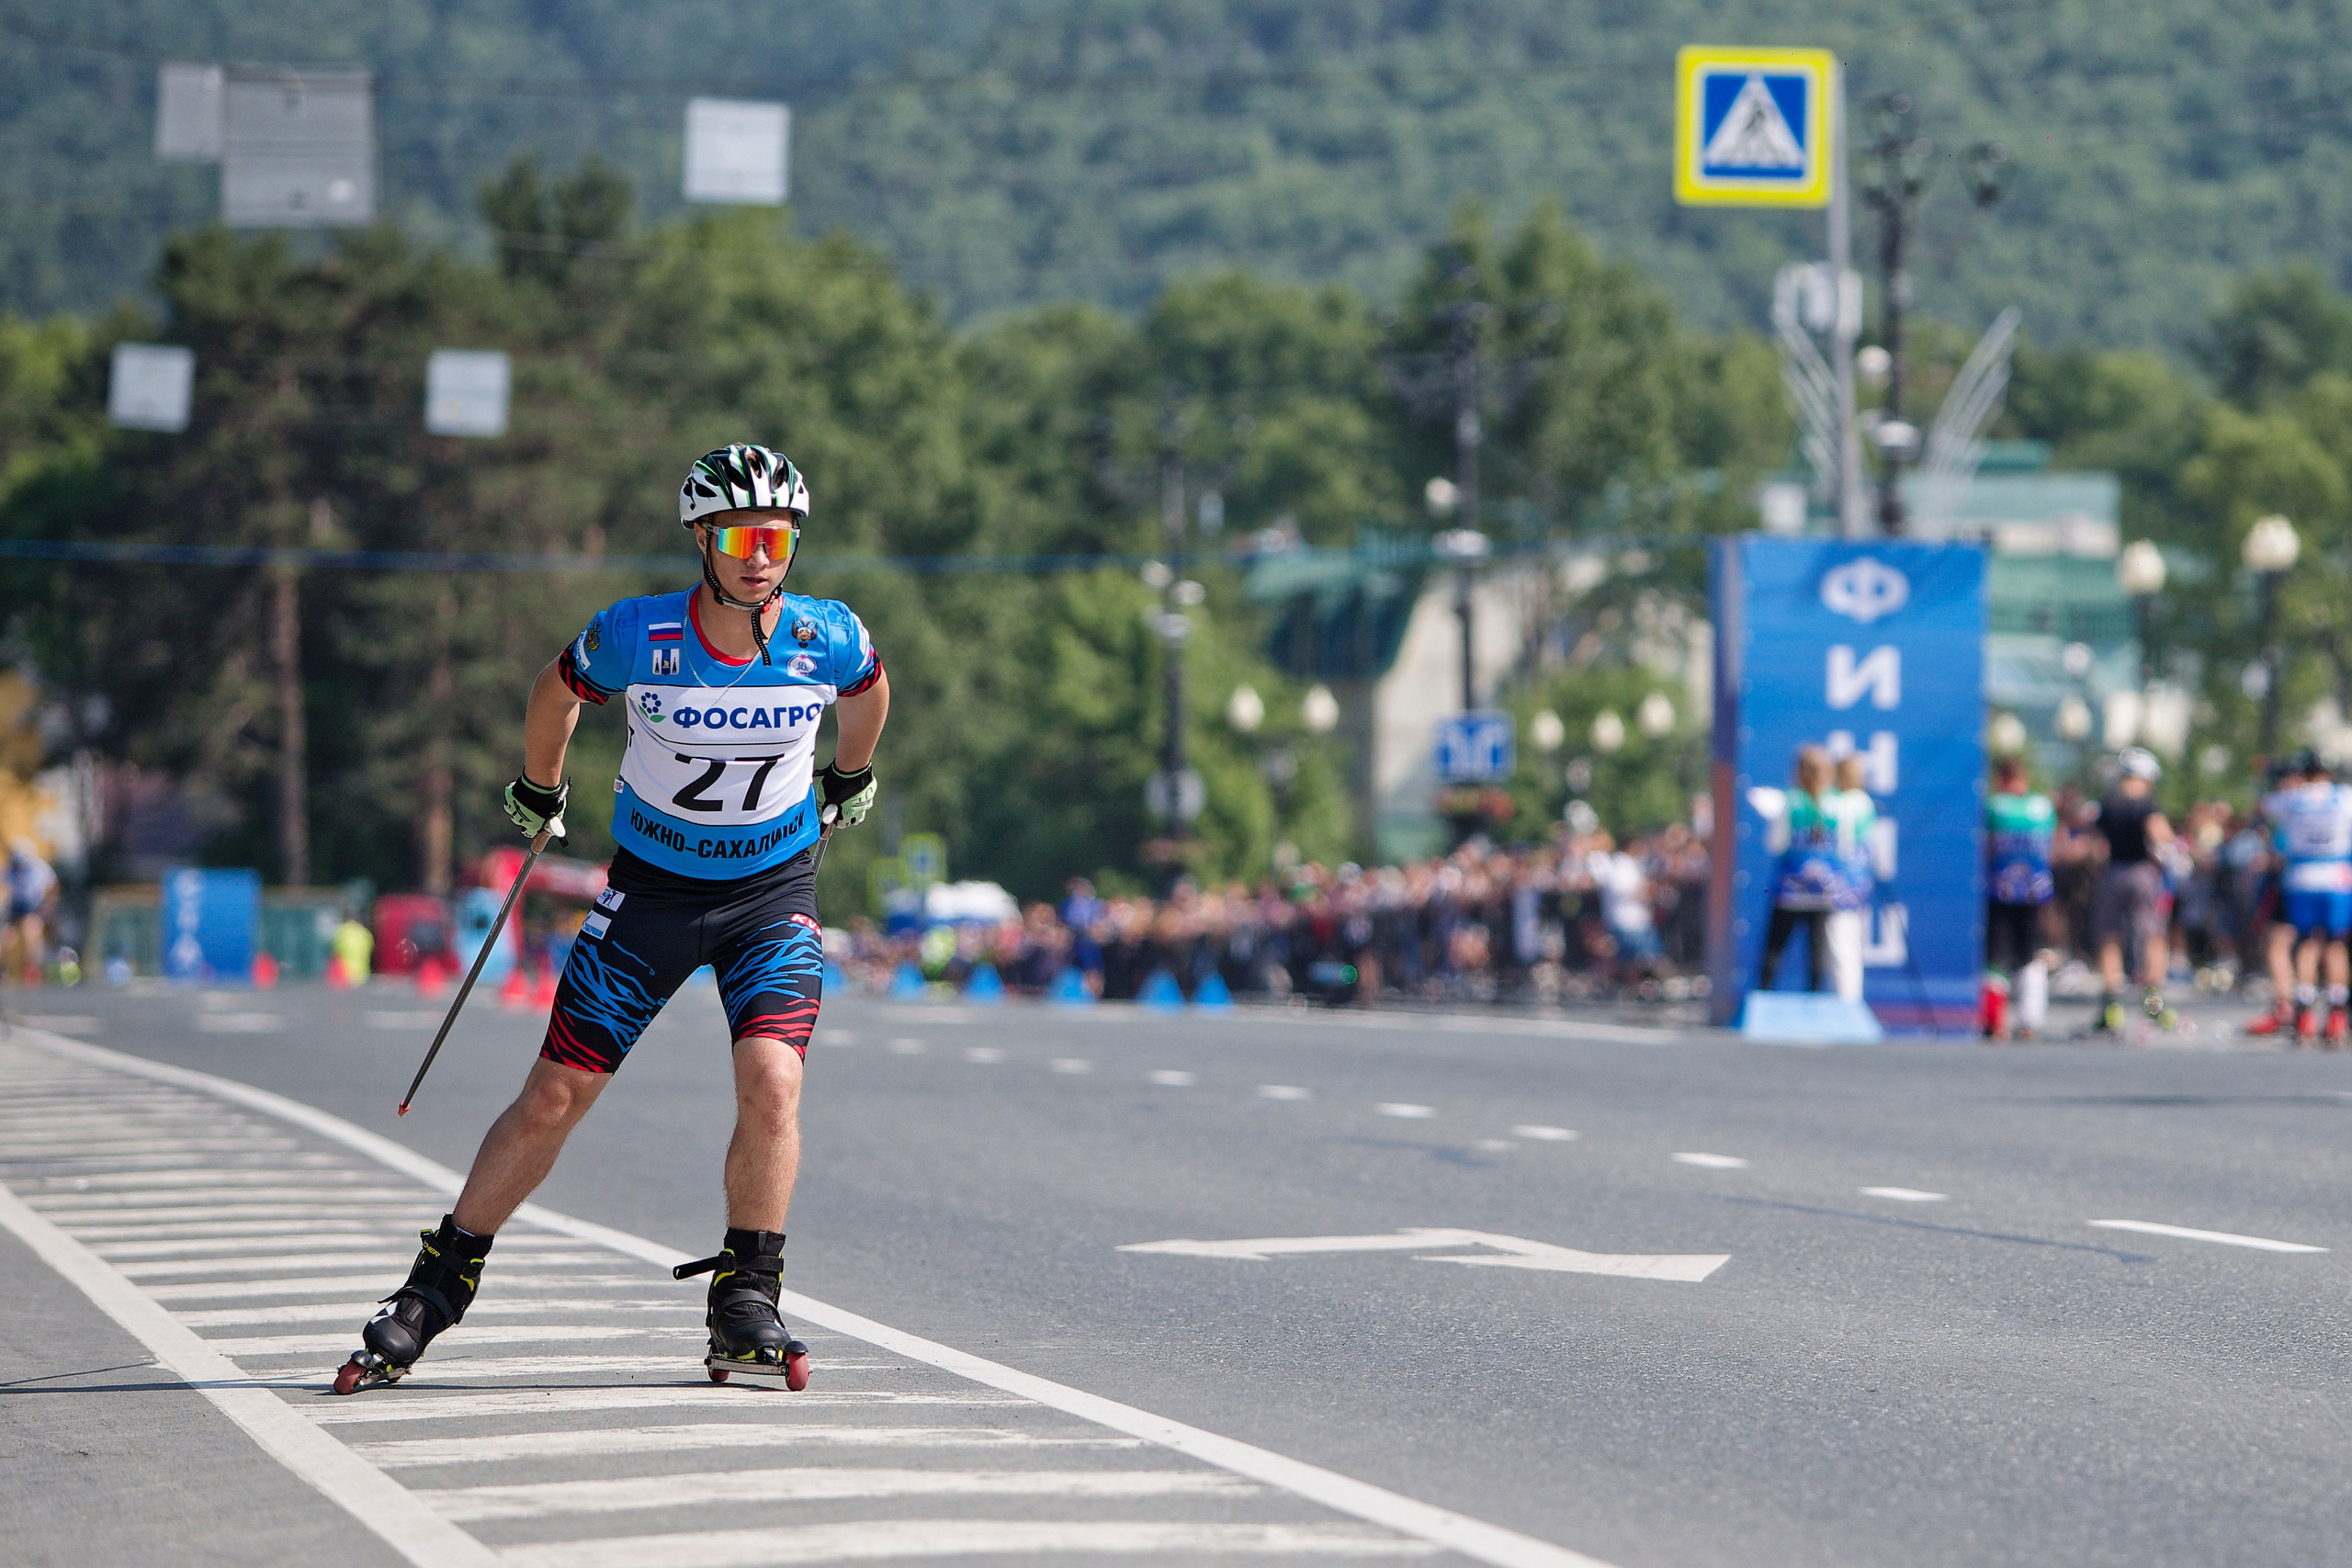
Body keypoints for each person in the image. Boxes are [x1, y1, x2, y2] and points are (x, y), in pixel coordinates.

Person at [336, 444, 888, 1394]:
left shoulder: (826, 635)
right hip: (652, 894)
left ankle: (747, 1294)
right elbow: (556, 691)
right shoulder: (639, 633)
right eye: (740, 539)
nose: (761, 557)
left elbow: (870, 693)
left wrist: (850, 772)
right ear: (702, 542)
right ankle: (437, 1285)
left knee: (773, 1083)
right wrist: (539, 785)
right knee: (556, 1095)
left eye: (777, 537)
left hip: (770, 895)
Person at [2251, 751, 2352, 1044]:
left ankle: (2305, 1011)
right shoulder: (2344, 797)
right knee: (2335, 945)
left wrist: (2263, 776)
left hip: (2302, 874)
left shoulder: (2292, 799)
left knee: (2306, 943)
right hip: (2336, 874)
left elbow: (2262, 807)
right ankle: (2337, 1014)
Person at [2090, 747, 2177, 1034]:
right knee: (2153, 934)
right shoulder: (2148, 806)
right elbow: (2161, 838)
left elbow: (2097, 847)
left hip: (2114, 872)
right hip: (2143, 873)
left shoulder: (2109, 805)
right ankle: (2153, 1002)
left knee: (2109, 935)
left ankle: (2112, 1003)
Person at [1984, 755, 2056, 1040]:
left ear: (2001, 778)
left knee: (1995, 957)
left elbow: (1985, 846)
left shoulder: (1994, 806)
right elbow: (2050, 848)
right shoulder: (2043, 807)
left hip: (1999, 889)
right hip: (2035, 891)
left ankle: (1994, 1022)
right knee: (2030, 956)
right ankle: (2029, 1020)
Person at [1757, 746, 1838, 993]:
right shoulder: (1835, 802)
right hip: (1823, 888)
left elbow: (1775, 844)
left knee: (1775, 946)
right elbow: (1844, 846)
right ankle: (1815, 1001)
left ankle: (1764, 995)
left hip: (1791, 888)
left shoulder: (1790, 801)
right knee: (1817, 950)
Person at [1822, 753, 1878, 1004]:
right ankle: (1850, 997)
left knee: (1839, 942)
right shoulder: (1865, 803)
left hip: (1841, 880)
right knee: (1849, 941)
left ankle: (1847, 1001)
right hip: (1858, 880)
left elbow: (1840, 845)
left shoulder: (1838, 803)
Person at [5, 838, 56, 986]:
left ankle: (33, 968)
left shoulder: (40, 869)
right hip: (15, 908)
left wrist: (48, 907)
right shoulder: (9, 869)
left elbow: (52, 888)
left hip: (35, 906)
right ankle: (5, 969)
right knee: (7, 937)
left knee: (31, 932)